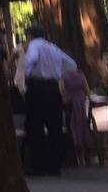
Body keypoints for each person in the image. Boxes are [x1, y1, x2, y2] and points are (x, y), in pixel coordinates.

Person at [23, 24, 76, 175]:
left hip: (37, 87)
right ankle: (55, 166)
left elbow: (31, 59)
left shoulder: (34, 46)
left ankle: (37, 166)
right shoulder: (53, 47)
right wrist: (58, 73)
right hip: (53, 89)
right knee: (54, 127)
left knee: (35, 127)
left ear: (30, 36)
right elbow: (72, 64)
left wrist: (27, 73)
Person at [62, 65, 91, 165]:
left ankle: (75, 155)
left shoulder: (63, 75)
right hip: (81, 104)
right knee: (83, 125)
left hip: (70, 104)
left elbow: (61, 90)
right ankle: (85, 154)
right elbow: (87, 90)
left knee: (71, 125)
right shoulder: (81, 74)